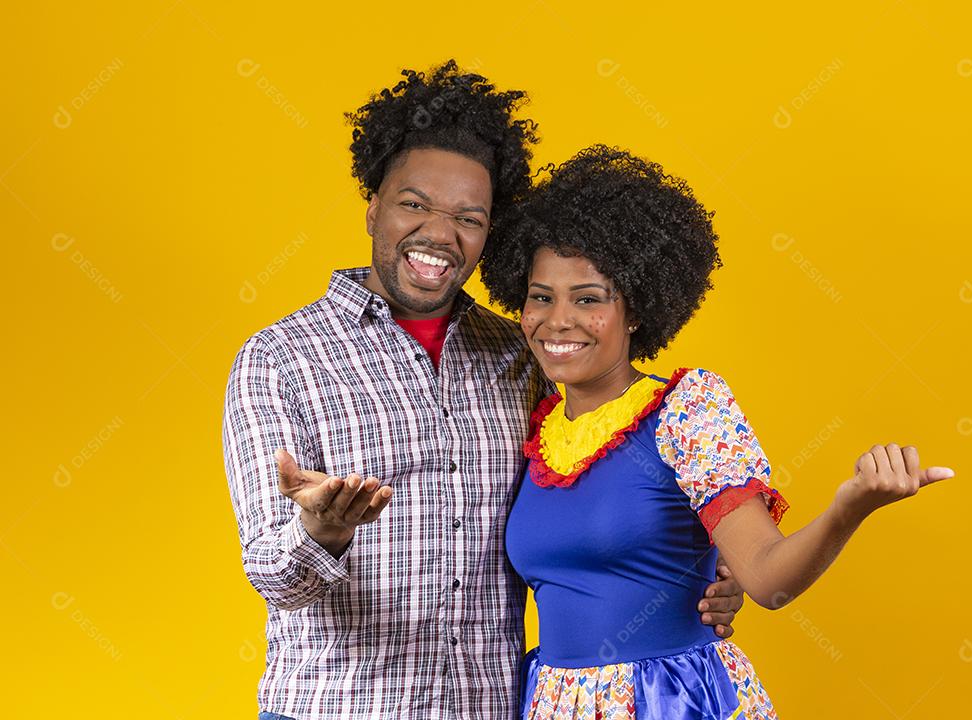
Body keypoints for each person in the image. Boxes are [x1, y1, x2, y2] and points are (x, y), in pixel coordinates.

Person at [223, 61, 742, 720]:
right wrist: (318, 531)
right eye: (414, 204)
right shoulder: (280, 360)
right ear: (374, 207)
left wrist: (712, 578)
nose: (441, 234)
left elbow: (615, 492)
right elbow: (271, 573)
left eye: (469, 216)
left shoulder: (525, 353)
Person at [479, 144, 956, 719]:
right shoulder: (534, 423)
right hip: (556, 703)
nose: (558, 321)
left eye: (589, 299)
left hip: (671, 701)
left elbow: (767, 580)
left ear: (636, 310)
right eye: (541, 298)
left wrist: (850, 507)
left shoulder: (686, 409)